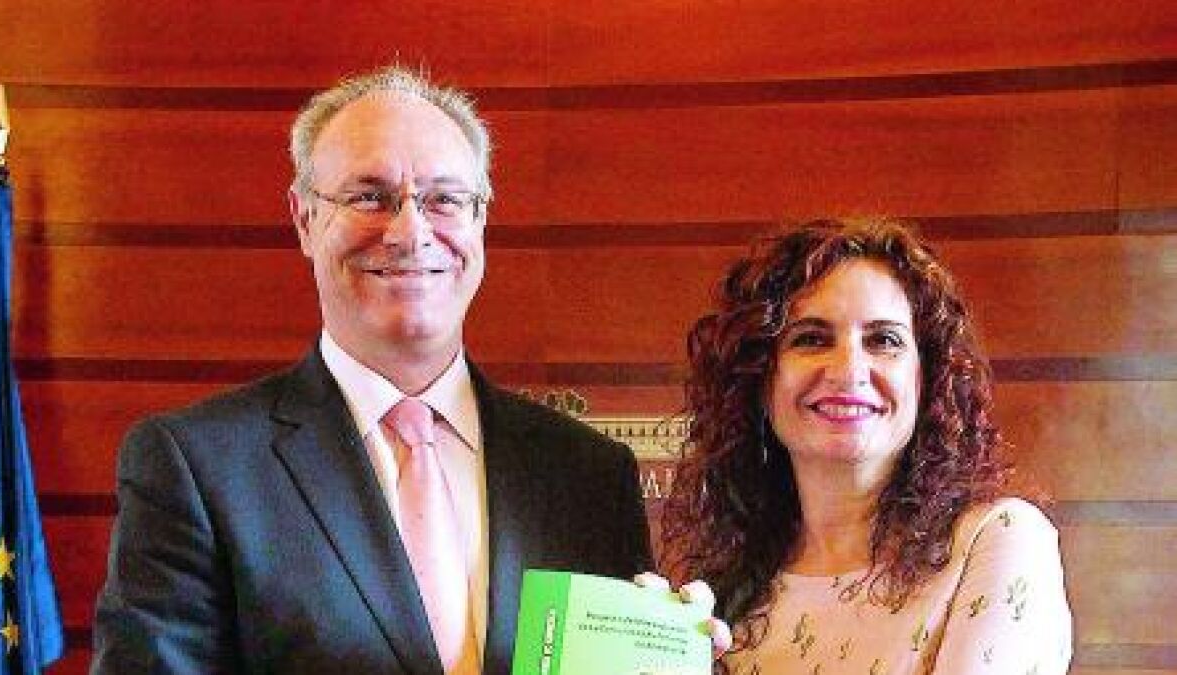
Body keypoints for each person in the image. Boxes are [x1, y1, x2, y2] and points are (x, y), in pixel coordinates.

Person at [92, 66, 658, 674]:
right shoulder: (197, 467)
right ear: (305, 218)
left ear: (480, 221)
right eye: (369, 197)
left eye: (444, 200)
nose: (411, 232)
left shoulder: (589, 475)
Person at [660, 219, 1072, 673]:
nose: (848, 371)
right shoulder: (727, 585)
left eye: (883, 341)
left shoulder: (997, 538)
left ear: (928, 377)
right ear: (758, 379)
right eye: (811, 339)